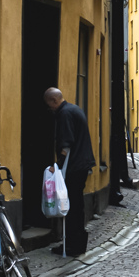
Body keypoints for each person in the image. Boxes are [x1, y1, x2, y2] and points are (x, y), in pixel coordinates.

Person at [44, 87, 96, 256]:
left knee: (71, 207)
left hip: (74, 167)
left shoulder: (64, 114)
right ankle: (78, 244)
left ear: (54, 101)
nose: (50, 109)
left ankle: (72, 246)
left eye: (49, 105)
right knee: (77, 206)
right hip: (83, 163)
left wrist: (57, 165)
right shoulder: (74, 108)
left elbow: (66, 144)